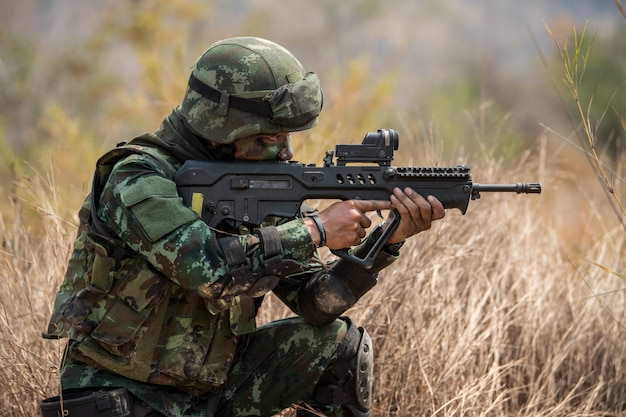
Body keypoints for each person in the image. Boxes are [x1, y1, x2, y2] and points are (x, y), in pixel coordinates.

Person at [42, 36, 445, 417]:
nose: (285, 151)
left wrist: (387, 240)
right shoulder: (137, 178)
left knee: (340, 346)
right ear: (222, 128)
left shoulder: (258, 183)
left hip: (210, 392)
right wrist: (316, 230)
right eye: (271, 136)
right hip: (122, 395)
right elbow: (204, 269)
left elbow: (316, 304)